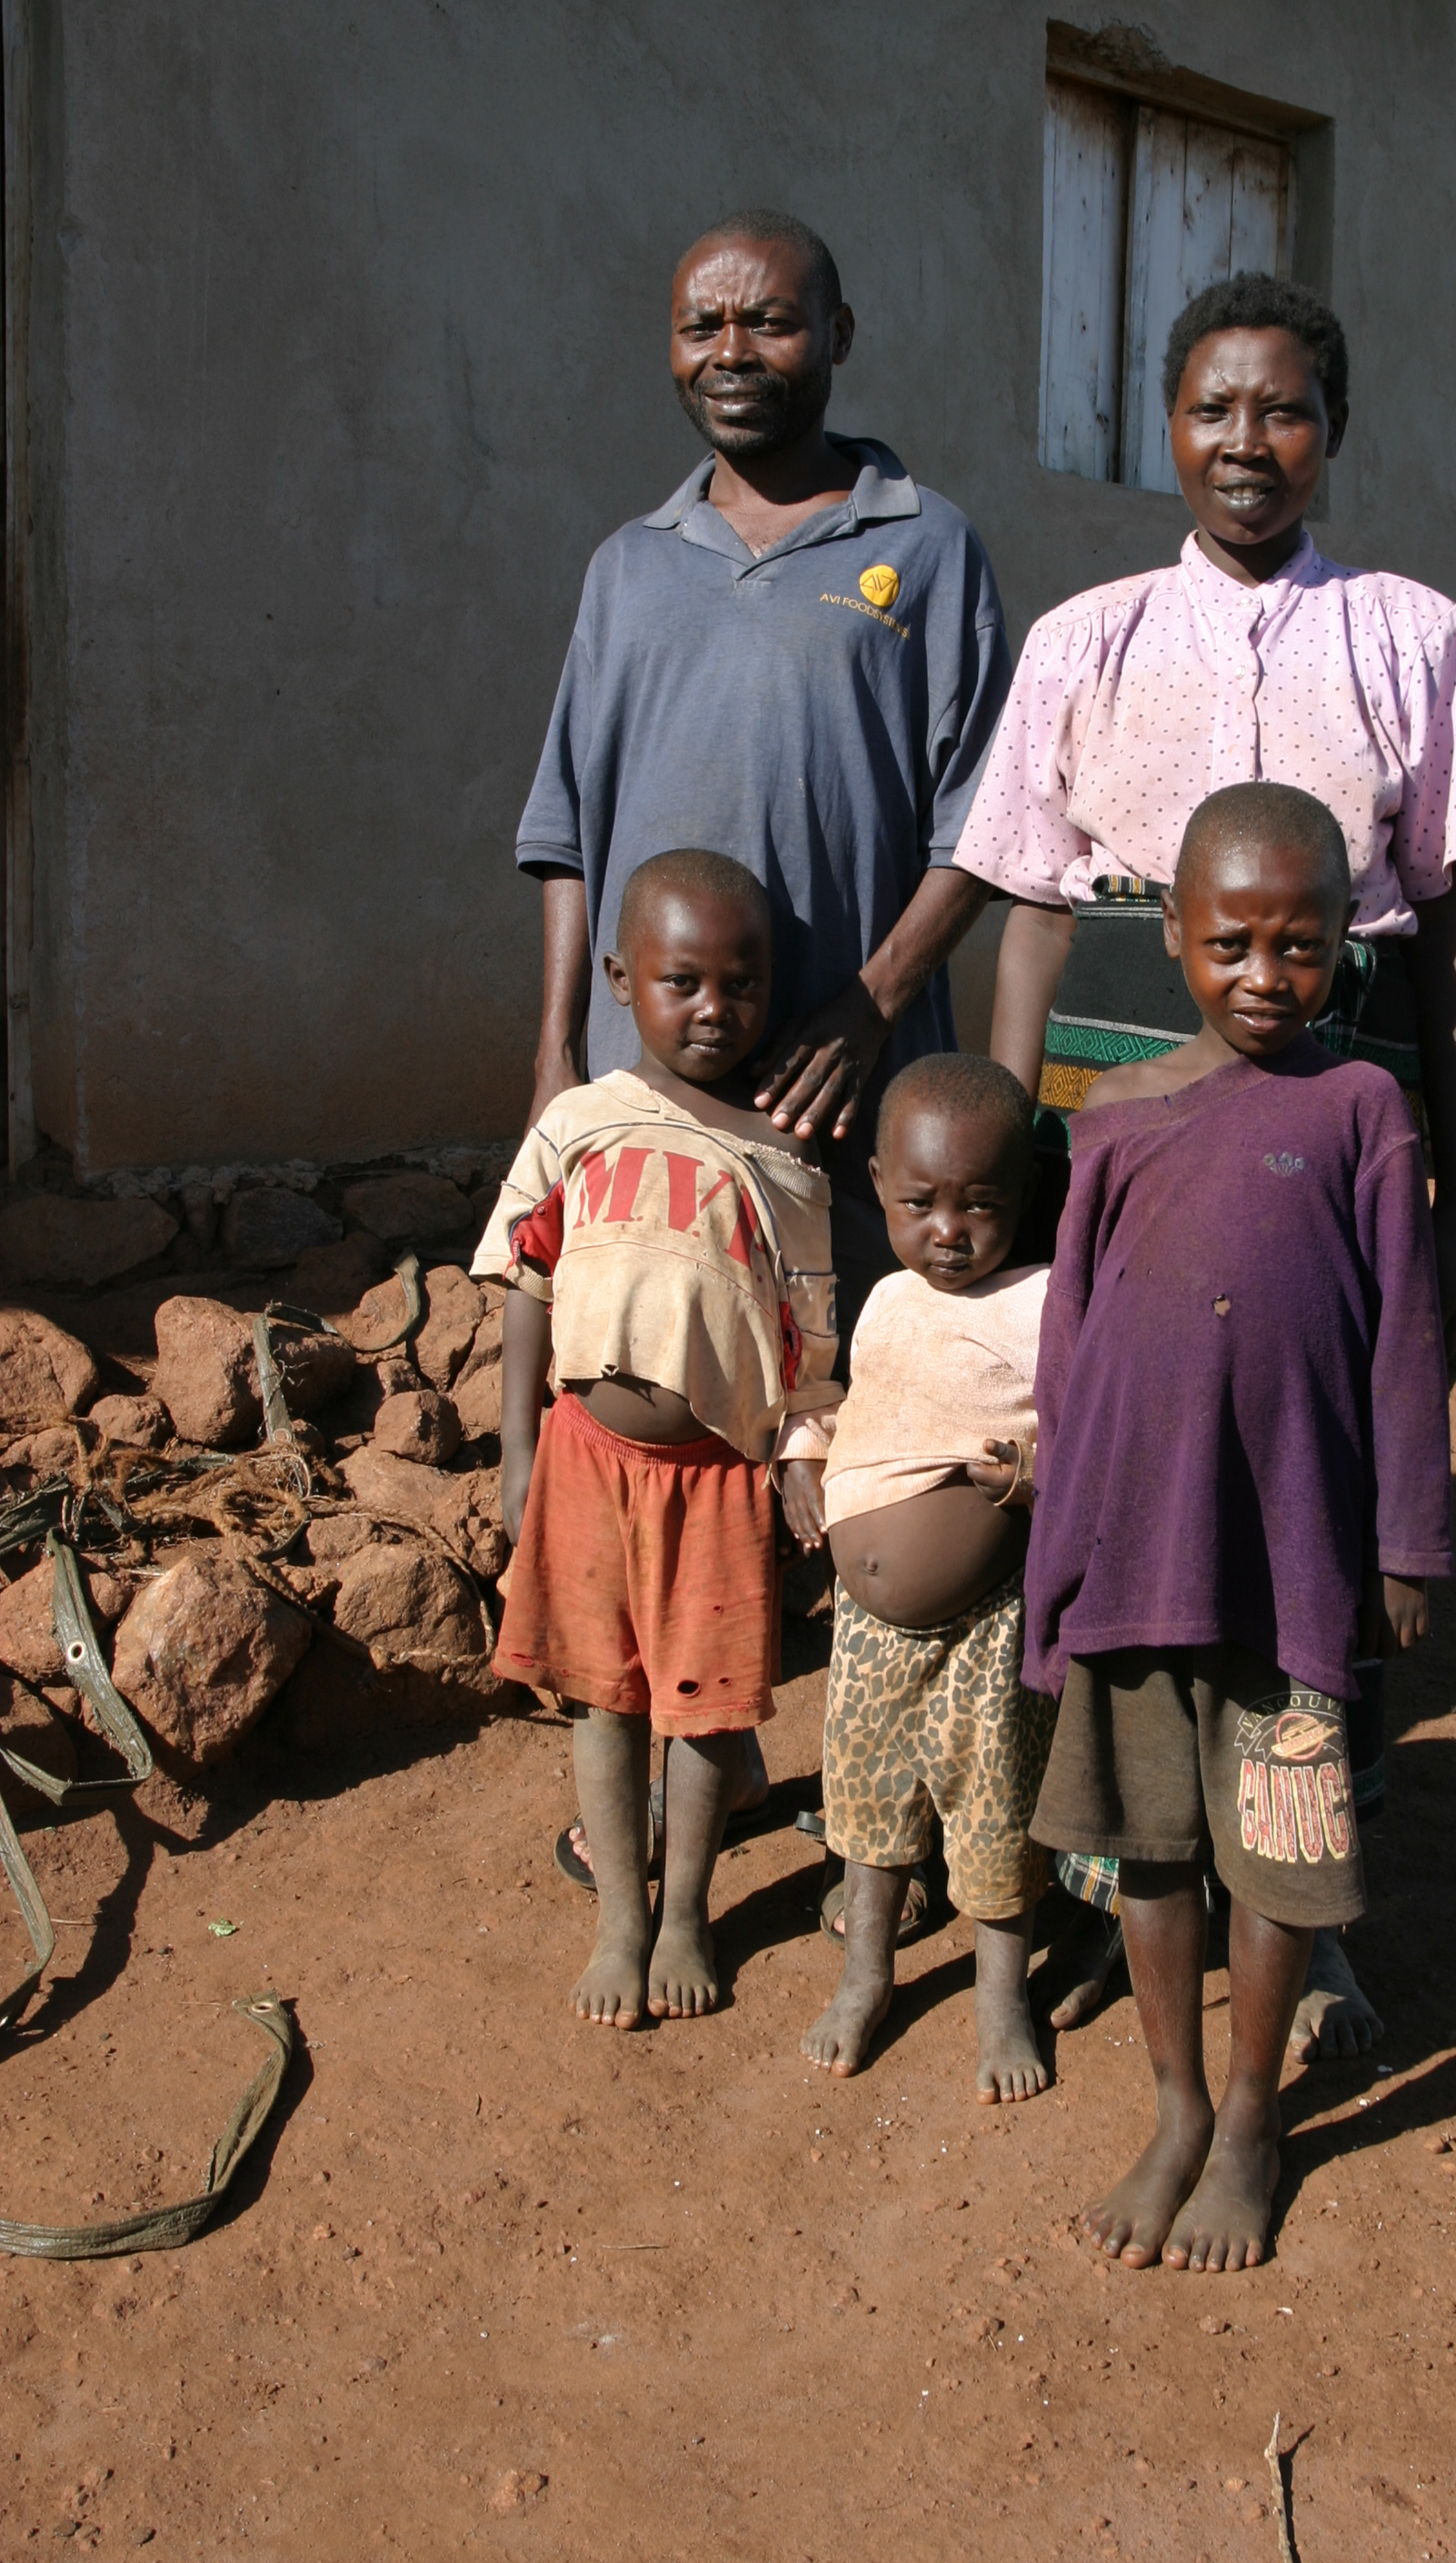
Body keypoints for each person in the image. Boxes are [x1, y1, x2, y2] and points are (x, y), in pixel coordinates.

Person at [957, 268, 1456, 2058]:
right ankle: (1129, 1890)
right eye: (1208, 409)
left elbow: (1445, 928)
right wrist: (1026, 1140)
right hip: (1129, 1118)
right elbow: (1031, 906)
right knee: (1141, 1509)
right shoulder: (1083, 640)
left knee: (1319, 1500)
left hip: (1336, 1128)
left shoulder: (1417, 633)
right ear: (1162, 429)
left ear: (1330, 429)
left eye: (1278, 409)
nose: (1242, 443)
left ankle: (1302, 1902)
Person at [518, 206, 1010, 1870]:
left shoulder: (922, 545)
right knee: (654, 1439)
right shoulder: (626, 565)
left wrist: (873, 1004)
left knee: (847, 1437)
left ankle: (910, 1773)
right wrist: (551, 1057)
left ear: (839, 333)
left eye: (769, 321)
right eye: (700, 325)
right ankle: (681, 1769)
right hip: (649, 1120)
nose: (732, 352)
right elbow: (570, 835)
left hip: (834, 1101)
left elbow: (987, 825)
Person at [1023, 783, 1452, 2269]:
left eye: (1298, 944)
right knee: (1151, 1853)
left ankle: (1257, 2119)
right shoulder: (1119, 1115)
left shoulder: (1359, 1111)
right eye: (1230, 944)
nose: (1265, 977)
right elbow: (1067, 1354)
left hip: (1290, 1567)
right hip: (1138, 1553)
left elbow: (1404, 1337)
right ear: (1170, 942)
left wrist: (1404, 1537)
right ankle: (1176, 2107)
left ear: (1343, 939)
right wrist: (1052, 1568)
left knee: (1276, 1858)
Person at [474, 850, 839, 2029]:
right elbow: (527, 1284)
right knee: (605, 1701)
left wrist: (798, 1467)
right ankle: (619, 1919)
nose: (716, 1008)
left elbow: (807, 1346)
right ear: (624, 980)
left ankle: (685, 1911)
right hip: (585, 1465)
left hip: (716, 1485)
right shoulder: (578, 1126)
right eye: (685, 981)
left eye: (743, 983)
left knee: (703, 1710)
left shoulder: (785, 1162)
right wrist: (517, 1446)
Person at [801, 1054, 1054, 2102]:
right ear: (876, 1186)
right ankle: (868, 1976)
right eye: (920, 1202)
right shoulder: (883, 1300)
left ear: (1021, 1199)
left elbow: (1093, 1434)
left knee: (993, 1814)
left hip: (986, 1631)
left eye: (979, 1204)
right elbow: (865, 1406)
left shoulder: (1043, 1303)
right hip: (866, 1635)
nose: (948, 1229)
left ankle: (1000, 1997)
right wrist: (806, 1461)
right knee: (867, 1809)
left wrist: (1035, 1479)